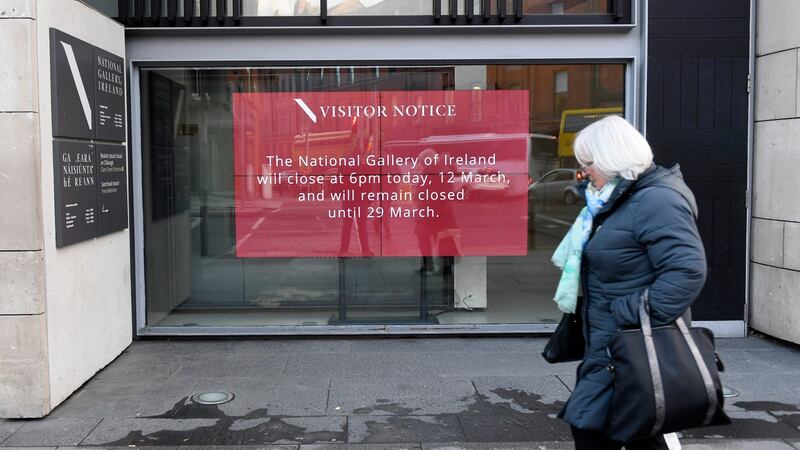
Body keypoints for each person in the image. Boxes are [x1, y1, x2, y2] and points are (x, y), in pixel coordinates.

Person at [550, 116, 707, 450]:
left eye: (588, 163)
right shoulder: (614, 201)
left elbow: (687, 271)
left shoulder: (657, 201)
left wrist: (629, 314)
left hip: (634, 345)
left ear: (612, 158)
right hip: (611, 344)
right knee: (601, 428)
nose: (583, 171)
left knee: (603, 430)